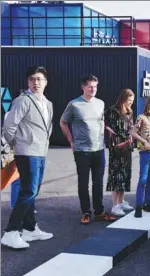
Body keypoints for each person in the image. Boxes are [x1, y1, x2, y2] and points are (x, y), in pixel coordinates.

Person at [1, 66, 53, 249]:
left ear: (46, 82)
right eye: (32, 79)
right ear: (28, 82)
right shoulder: (22, 100)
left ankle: (30, 228)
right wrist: (16, 145)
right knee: (28, 191)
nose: (36, 82)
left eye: (39, 79)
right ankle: (11, 232)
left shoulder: (47, 103)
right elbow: (9, 126)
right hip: (26, 152)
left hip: (41, 152)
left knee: (33, 191)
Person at [60, 74, 116, 224]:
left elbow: (101, 120)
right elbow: (63, 122)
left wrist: (103, 133)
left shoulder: (100, 103)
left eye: (95, 86)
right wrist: (71, 141)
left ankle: (99, 211)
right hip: (82, 150)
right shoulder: (74, 104)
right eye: (90, 86)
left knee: (98, 182)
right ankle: (86, 212)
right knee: (83, 182)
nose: (93, 89)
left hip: (99, 149)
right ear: (83, 87)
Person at [104, 89, 135, 216]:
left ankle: (121, 201)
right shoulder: (112, 111)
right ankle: (115, 205)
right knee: (116, 175)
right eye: (128, 100)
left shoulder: (129, 111)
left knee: (125, 174)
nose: (130, 103)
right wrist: (108, 130)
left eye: (132, 101)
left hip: (127, 147)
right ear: (122, 98)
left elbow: (130, 127)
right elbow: (104, 122)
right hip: (117, 147)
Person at [131, 96, 150, 218]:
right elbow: (133, 133)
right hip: (145, 151)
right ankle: (138, 206)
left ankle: (147, 203)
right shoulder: (141, 118)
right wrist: (144, 141)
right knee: (143, 179)